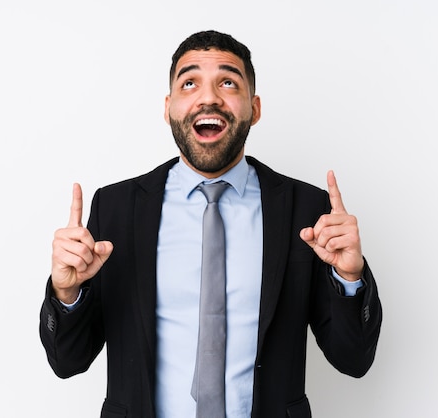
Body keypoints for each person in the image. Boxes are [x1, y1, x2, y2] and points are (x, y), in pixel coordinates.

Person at [40, 30, 382, 418]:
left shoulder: (306, 209)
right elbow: (68, 361)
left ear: (254, 108)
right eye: (190, 83)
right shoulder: (116, 207)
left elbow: (353, 359)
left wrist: (349, 280)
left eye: (228, 82)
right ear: (169, 107)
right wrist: (67, 294)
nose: (209, 97)